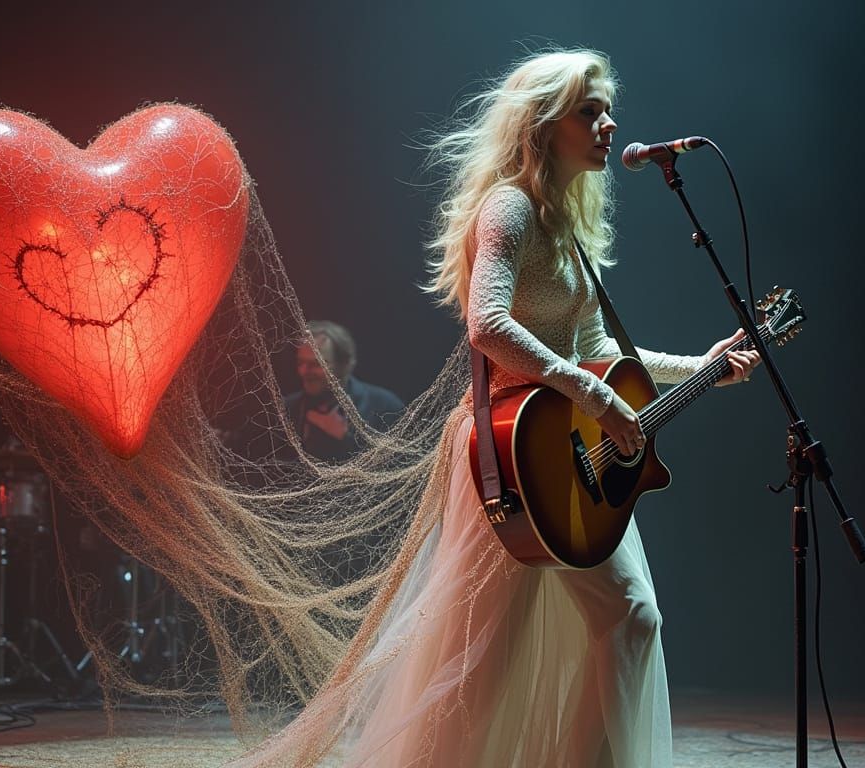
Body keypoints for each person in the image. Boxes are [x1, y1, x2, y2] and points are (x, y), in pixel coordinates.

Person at [235, 49, 760, 768]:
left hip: (566, 450)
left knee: (632, 618)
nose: (609, 125)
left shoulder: (570, 226)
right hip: (511, 453)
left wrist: (700, 367)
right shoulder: (510, 207)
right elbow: (487, 325)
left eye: (609, 110)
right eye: (589, 111)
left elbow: (598, 347)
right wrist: (595, 395)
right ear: (543, 124)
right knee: (486, 655)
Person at [284, 320, 404, 462]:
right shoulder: (288, 408)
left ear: (345, 365)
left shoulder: (385, 406)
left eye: (316, 364)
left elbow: (398, 466)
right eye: (300, 363)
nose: (304, 371)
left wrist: (345, 438)